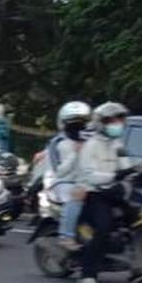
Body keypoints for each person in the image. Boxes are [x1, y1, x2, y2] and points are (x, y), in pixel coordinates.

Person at [75, 101, 131, 283]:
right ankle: (87, 273)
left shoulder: (117, 144)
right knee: (103, 227)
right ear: (102, 122)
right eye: (112, 120)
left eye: (120, 119)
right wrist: (113, 176)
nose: (117, 124)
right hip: (95, 194)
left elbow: (126, 166)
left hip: (115, 192)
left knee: (139, 217)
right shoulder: (91, 145)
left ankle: (139, 266)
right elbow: (89, 175)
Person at [46, 101, 92, 250]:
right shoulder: (58, 143)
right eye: (73, 124)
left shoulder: (93, 140)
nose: (78, 127)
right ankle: (66, 237)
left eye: (82, 123)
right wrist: (75, 153)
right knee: (75, 197)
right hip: (64, 183)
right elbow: (59, 171)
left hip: (89, 181)